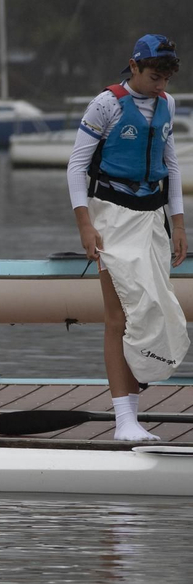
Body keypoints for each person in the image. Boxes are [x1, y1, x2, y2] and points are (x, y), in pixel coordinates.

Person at [69, 34, 189, 441]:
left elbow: (172, 166)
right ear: (134, 66)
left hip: (152, 217)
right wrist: (85, 225)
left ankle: (133, 417)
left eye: (166, 79)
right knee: (118, 318)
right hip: (111, 216)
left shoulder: (167, 104)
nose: (161, 86)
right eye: (154, 77)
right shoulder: (106, 105)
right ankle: (124, 421)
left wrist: (179, 224)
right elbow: (75, 167)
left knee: (153, 312)